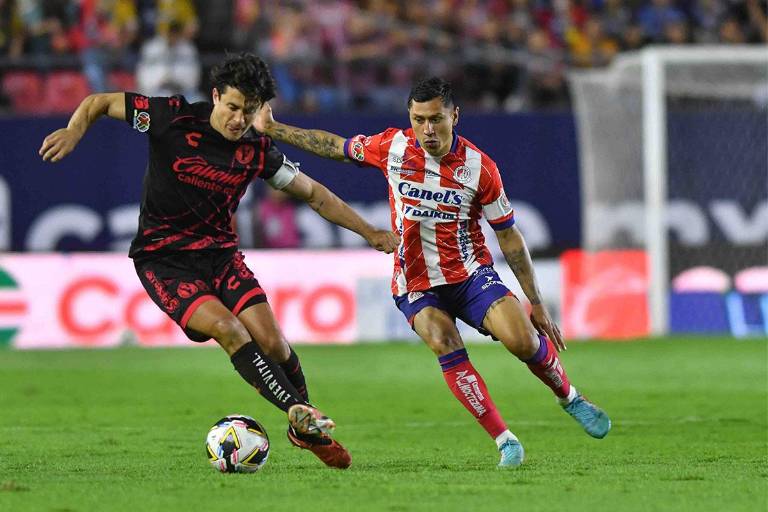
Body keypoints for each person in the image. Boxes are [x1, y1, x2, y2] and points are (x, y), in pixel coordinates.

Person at [38, 53, 399, 469]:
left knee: (275, 344)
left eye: (247, 111)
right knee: (229, 329)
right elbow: (99, 102)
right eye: (230, 107)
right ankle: (299, 415)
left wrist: (369, 231)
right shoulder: (169, 118)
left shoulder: (257, 150)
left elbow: (315, 194)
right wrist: (73, 130)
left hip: (221, 257)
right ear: (214, 97)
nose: (236, 120)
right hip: (164, 260)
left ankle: (304, 425)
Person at [255, 77, 611, 468]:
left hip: (471, 275)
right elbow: (335, 147)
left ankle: (570, 397)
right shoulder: (392, 146)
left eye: (436, 119)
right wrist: (274, 129)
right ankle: (505, 440)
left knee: (523, 340)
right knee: (443, 340)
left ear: (454, 116)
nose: (427, 129)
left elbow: (509, 237)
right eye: (419, 119)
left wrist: (537, 302)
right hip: (415, 283)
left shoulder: (480, 167)